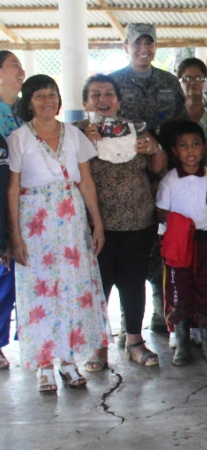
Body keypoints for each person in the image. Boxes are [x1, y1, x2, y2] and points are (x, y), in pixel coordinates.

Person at [8, 75, 110, 392]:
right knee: (39, 291)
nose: (47, 101)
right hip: (34, 223)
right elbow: (12, 189)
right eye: (39, 96)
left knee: (71, 287)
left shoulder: (75, 136)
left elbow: (87, 182)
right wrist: (15, 235)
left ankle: (67, 361)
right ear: (29, 102)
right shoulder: (19, 138)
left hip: (71, 222)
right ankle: (44, 365)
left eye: (52, 94)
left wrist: (98, 223)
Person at [79, 74, 167, 369]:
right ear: (85, 102)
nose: (103, 99)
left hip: (137, 221)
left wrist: (154, 148)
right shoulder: (77, 135)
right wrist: (83, 142)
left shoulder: (137, 129)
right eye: (95, 94)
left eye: (108, 93)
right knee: (98, 286)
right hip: (96, 225)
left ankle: (134, 342)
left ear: (117, 100)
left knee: (133, 284)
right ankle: (99, 346)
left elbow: (157, 166)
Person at [110, 23, 189, 333]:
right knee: (128, 247)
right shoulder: (112, 82)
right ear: (126, 46)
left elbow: (180, 128)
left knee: (163, 244)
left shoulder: (169, 82)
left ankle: (161, 311)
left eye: (149, 43)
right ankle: (128, 321)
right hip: (123, 176)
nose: (143, 49)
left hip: (165, 173)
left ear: (156, 46)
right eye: (137, 43)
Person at [155, 120, 207, 366]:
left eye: (196, 144)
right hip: (179, 248)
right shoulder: (170, 180)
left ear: (204, 147)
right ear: (175, 150)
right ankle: (182, 346)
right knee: (179, 293)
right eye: (183, 146)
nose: (190, 151)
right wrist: (176, 234)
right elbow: (161, 214)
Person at [0, 50, 24, 370]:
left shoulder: (17, 114)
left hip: (19, 207)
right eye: (14, 65)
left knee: (10, 282)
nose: (21, 70)